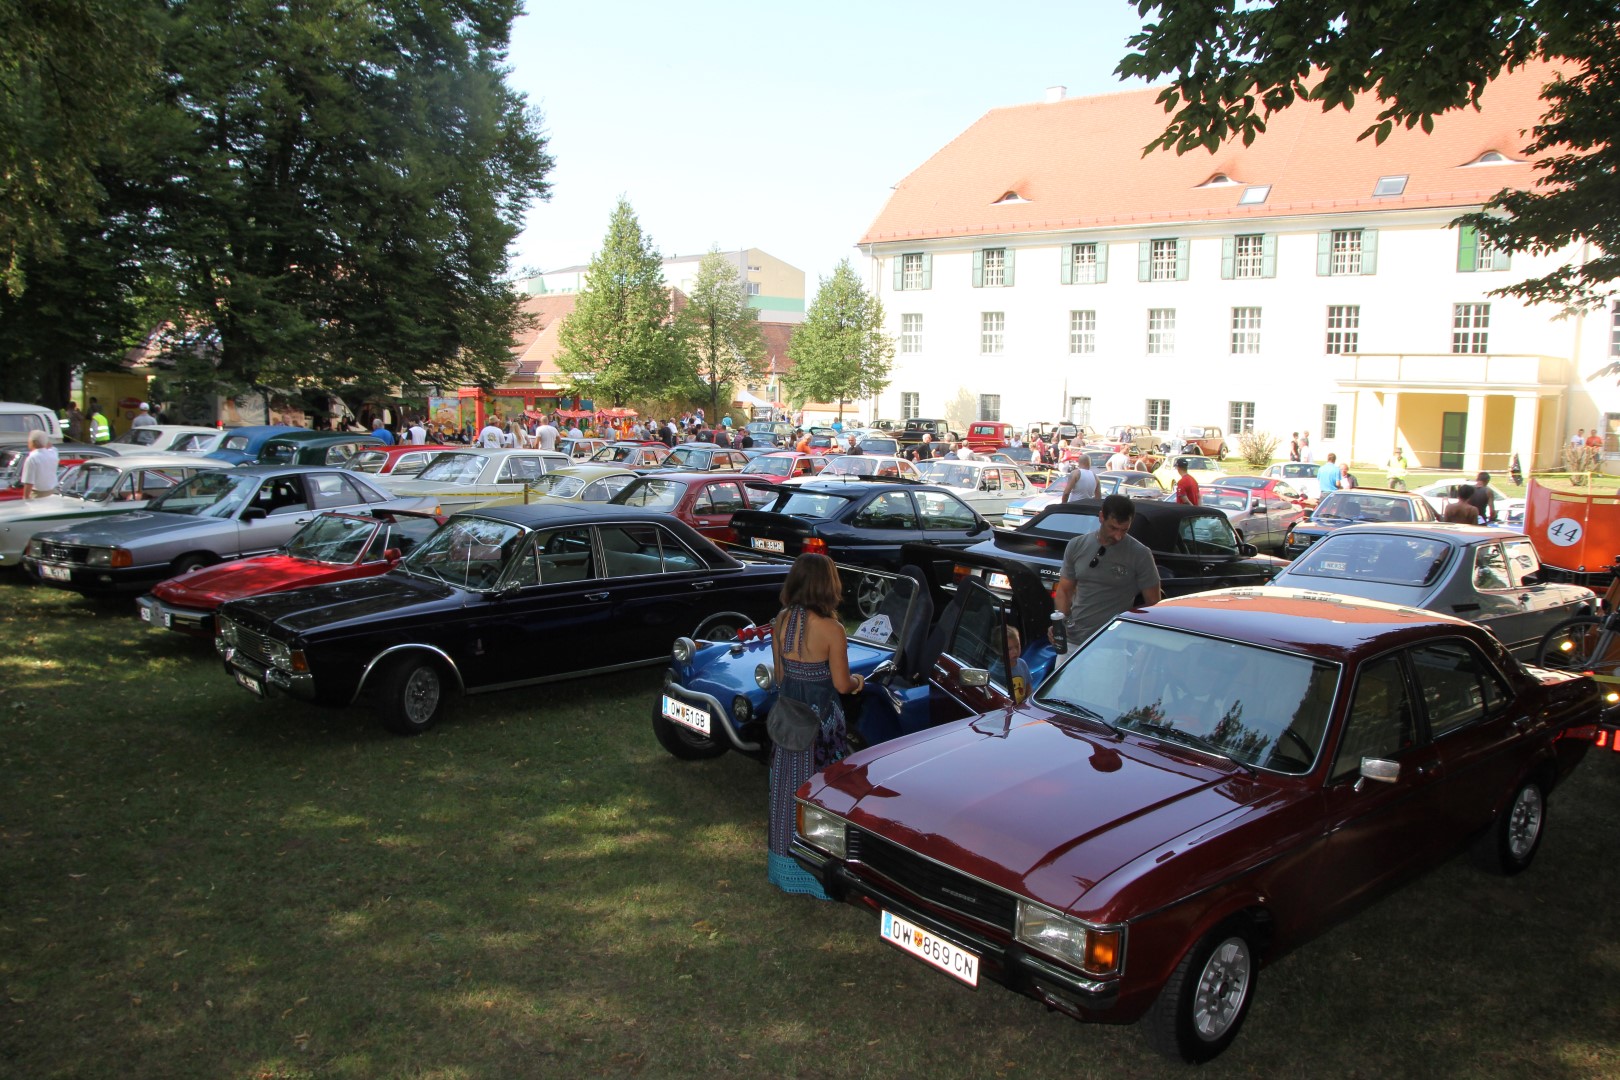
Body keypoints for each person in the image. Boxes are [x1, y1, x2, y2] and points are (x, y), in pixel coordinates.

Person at [767, 554, 860, 898]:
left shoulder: (781, 620)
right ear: (827, 585)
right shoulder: (833, 629)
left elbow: (779, 676)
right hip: (821, 726)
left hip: (789, 721)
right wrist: (858, 682)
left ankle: (782, 866)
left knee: (784, 791)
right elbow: (840, 684)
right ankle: (819, 874)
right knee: (821, 796)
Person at [1053, 494, 1162, 658]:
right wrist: (1059, 625)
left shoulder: (1140, 554)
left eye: (1124, 530)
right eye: (1113, 528)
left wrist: (1143, 644)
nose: (1118, 536)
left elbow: (1153, 605)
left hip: (1110, 645)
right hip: (1072, 641)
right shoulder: (1076, 545)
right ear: (1101, 516)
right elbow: (1064, 591)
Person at [988, 624, 1032, 705]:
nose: (1015, 651)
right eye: (1009, 649)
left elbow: (1028, 687)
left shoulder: (1022, 663)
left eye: (1017, 646)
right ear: (997, 650)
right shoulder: (995, 673)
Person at [19, 430, 59, 498]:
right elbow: (51, 446)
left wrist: (26, 497)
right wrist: (44, 440)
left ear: (33, 442)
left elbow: (29, 482)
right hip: (53, 493)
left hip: (38, 495)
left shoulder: (32, 458)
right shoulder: (53, 453)